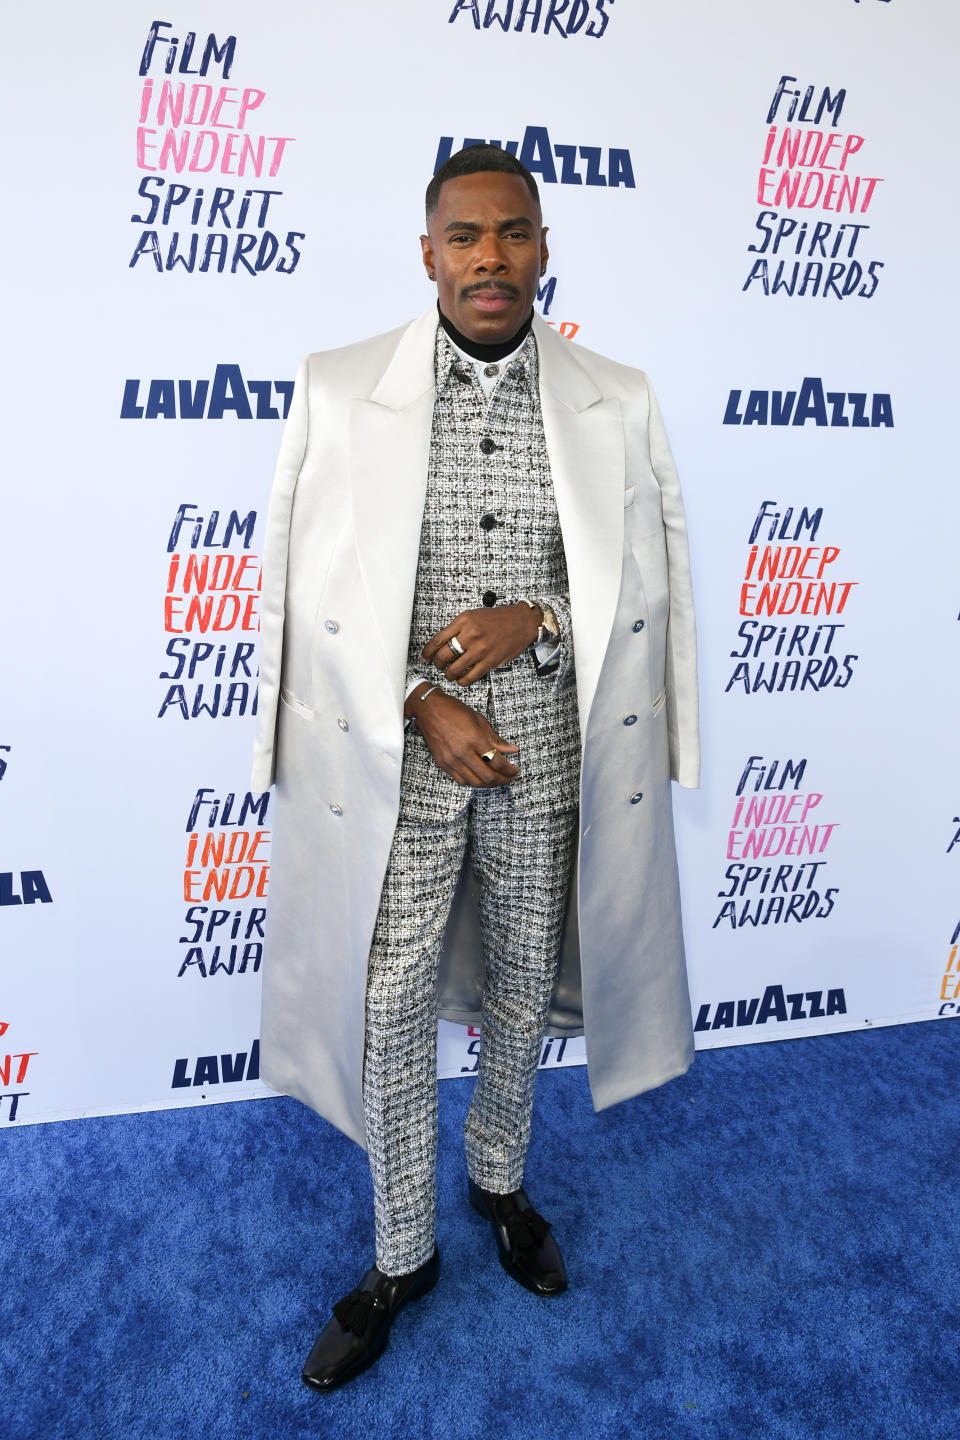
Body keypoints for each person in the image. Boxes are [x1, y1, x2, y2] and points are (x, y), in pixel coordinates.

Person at [252, 144, 699, 1392]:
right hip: (399, 753)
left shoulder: (619, 394)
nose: (490, 259)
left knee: (519, 977)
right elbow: (308, 593)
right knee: (391, 994)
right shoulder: (342, 391)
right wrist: (416, 700)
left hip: (551, 736)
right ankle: (401, 1252)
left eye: (513, 234)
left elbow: (643, 585)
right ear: (429, 252)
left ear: (545, 248)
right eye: (465, 236)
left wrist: (537, 620)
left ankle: (501, 1182)